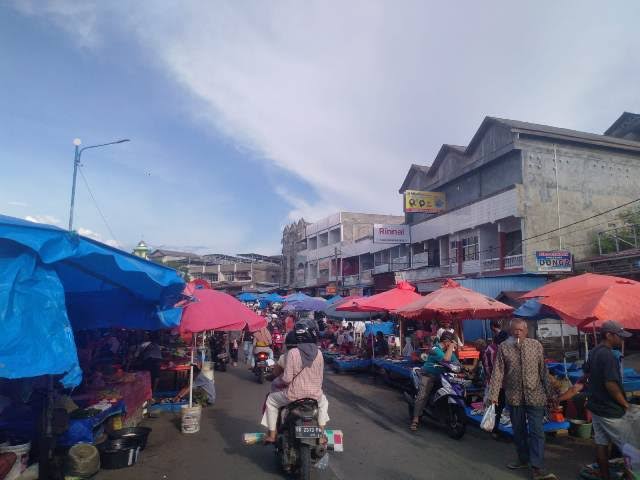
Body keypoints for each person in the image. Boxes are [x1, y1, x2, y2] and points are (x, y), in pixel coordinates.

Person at [487, 319, 557, 480]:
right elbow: (498, 372)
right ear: (511, 331)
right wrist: (493, 395)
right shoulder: (504, 347)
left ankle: (537, 466)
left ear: (526, 331)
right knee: (519, 432)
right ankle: (523, 459)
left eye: (520, 330)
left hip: (535, 396)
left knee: (537, 432)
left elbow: (543, 372)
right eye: (514, 330)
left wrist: (551, 394)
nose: (517, 333)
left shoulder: (536, 346)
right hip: (514, 397)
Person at [261, 319, 329, 444]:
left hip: (293, 396)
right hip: (315, 396)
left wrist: (279, 382)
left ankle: (272, 434)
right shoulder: (319, 353)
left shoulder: (292, 353)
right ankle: (321, 434)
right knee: (324, 403)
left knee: (271, 401)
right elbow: (320, 377)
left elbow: (287, 379)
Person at [583, 321, 633, 480]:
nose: (622, 339)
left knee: (601, 442)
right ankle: (632, 475)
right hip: (609, 409)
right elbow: (610, 384)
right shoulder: (608, 355)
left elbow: (586, 372)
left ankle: (605, 476)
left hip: (596, 406)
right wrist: (625, 404)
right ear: (609, 335)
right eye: (619, 336)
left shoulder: (594, 351)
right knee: (629, 446)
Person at [410, 331, 459, 431]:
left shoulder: (447, 350)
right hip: (428, 375)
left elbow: (455, 361)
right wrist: (451, 347)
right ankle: (415, 419)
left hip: (442, 377)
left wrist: (462, 367)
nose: (453, 346)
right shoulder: (435, 349)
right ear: (446, 342)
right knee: (423, 394)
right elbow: (446, 359)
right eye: (451, 343)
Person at [483, 328, 509, 440]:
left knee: (495, 406)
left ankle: (493, 427)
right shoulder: (498, 350)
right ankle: (494, 429)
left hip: (493, 382)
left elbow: (487, 368)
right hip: (500, 383)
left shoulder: (489, 348)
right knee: (498, 406)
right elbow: (496, 369)